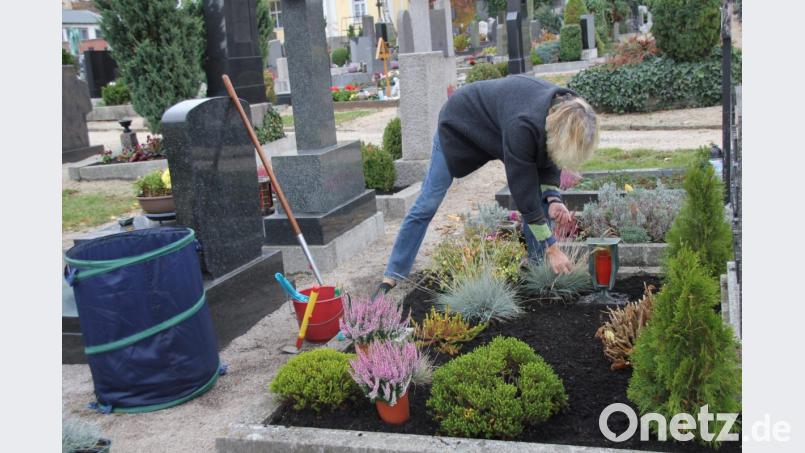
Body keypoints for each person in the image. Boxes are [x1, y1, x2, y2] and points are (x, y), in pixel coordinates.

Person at [376, 74, 600, 295]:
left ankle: (538, 272)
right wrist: (553, 246)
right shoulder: (523, 125)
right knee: (429, 200)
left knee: (541, 200)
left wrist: (553, 198)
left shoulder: (568, 109)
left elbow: (551, 157)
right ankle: (394, 272)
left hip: (500, 124)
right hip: (460, 124)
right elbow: (523, 192)